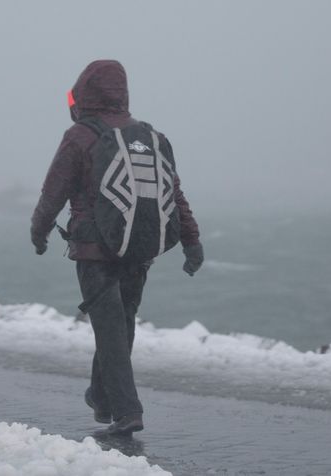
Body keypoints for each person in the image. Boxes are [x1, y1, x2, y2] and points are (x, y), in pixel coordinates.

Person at [31, 60, 203, 435]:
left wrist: (39, 231)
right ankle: (102, 397)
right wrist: (192, 241)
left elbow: (53, 191)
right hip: (139, 248)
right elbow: (174, 193)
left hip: (95, 251)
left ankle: (128, 412)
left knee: (110, 330)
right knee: (119, 327)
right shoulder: (151, 136)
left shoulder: (80, 135)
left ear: (81, 96)